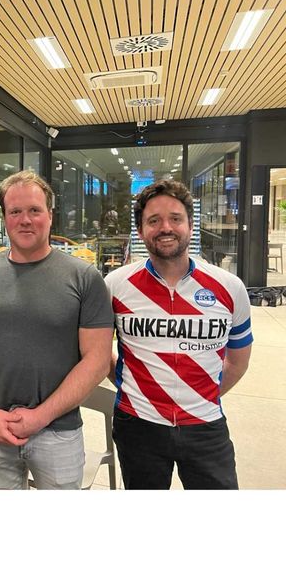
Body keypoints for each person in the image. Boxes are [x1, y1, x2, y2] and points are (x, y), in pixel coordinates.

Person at [0, 171, 114, 489]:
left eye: (34, 210)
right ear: (4, 218)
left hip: (58, 432)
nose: (25, 220)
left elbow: (97, 360)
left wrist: (40, 416)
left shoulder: (84, 278)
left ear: (50, 215)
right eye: (15, 211)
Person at [104, 179, 253, 489]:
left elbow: (238, 361)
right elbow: (99, 353)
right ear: (141, 230)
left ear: (190, 225)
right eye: (153, 221)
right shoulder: (115, 285)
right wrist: (134, 390)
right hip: (137, 425)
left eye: (175, 218)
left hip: (206, 424)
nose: (165, 228)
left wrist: (199, 397)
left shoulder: (230, 287)